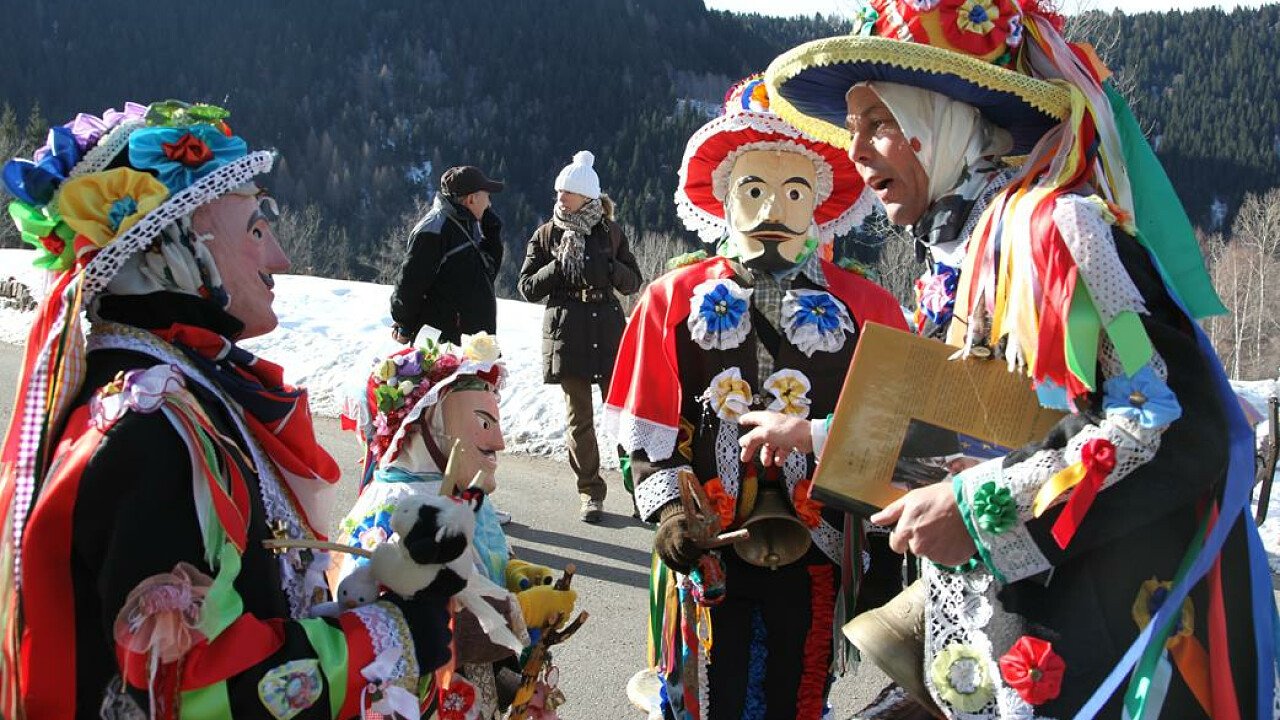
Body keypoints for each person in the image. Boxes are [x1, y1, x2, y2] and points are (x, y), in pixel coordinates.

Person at [759, 3, 1277, 716]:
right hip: (994, 637)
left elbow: (1167, 418)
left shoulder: (1061, 235)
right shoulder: (961, 249)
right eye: (854, 131)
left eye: (879, 123)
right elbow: (988, 419)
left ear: (944, 116)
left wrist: (978, 509)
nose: (857, 151)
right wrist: (822, 437)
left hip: (1098, 645)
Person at [0, 100, 457, 719]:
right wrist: (391, 635)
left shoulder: (180, 396)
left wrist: (384, 594)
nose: (281, 260)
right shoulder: (151, 429)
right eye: (257, 229)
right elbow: (198, 689)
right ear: (173, 250)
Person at [604, 76, 903, 720]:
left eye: (795, 190)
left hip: (821, 549)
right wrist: (669, 517)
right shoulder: (669, 301)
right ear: (724, 199)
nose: (774, 209)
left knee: (800, 688)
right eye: (755, 189)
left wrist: (876, 554)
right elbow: (647, 432)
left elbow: (894, 439)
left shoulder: (872, 309)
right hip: (708, 550)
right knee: (711, 690)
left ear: (821, 202)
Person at [337, 334, 578, 718]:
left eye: (495, 423)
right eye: (482, 422)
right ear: (425, 425)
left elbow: (472, 570)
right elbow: (407, 629)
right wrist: (519, 610)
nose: (498, 441)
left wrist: (511, 571)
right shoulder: (395, 509)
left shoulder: (459, 495)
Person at [518, 151, 642, 523]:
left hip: (607, 331)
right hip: (567, 333)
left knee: (622, 417)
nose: (560, 198)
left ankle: (641, 491)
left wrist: (608, 266)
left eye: (567, 192)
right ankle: (590, 492)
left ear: (587, 197)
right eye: (559, 192)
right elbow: (527, 287)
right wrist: (557, 267)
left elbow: (633, 281)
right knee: (579, 420)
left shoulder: (611, 233)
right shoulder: (546, 235)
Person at [390, 164, 505, 346]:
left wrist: (492, 231)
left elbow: (487, 274)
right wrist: (405, 324)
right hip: (443, 344)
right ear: (472, 199)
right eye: (486, 196)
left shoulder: (470, 224)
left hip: (473, 341)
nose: (489, 202)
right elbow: (410, 284)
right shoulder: (434, 230)